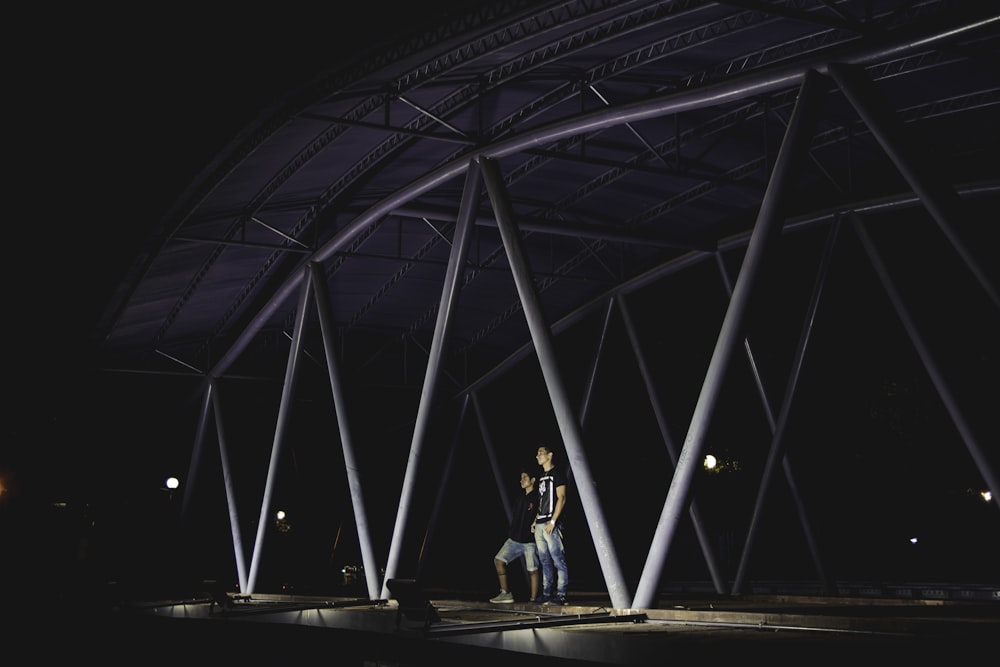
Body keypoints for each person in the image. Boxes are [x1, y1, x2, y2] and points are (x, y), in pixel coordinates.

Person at [489, 466, 541, 603]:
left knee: (532, 570)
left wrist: (536, 522)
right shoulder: (520, 498)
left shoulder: (537, 497)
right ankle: (505, 593)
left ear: (533, 480)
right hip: (514, 540)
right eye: (521, 478)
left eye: (525, 477)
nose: (521, 480)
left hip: (530, 541)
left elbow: (542, 511)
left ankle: (533, 600)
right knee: (498, 561)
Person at [533, 443, 569, 605]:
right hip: (541, 523)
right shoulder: (541, 476)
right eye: (537, 454)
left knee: (557, 559)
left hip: (550, 523)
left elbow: (561, 498)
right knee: (544, 561)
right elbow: (542, 501)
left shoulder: (557, 474)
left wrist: (553, 521)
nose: (538, 456)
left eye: (541, 453)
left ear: (550, 455)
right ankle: (547, 593)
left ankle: (561, 594)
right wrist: (535, 520)